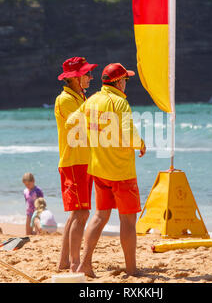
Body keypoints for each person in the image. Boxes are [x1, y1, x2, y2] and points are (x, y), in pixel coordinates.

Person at [67, 63, 146, 277]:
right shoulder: (119, 102)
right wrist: (141, 144)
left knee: (100, 216)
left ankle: (85, 264)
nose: (126, 84)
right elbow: (129, 135)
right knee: (128, 220)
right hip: (121, 171)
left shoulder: (91, 100)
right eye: (126, 80)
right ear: (119, 82)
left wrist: (93, 138)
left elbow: (71, 122)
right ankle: (131, 269)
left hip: (99, 170)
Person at [55, 56, 97, 272]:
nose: (91, 77)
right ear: (76, 78)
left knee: (77, 213)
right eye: (87, 74)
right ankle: (73, 263)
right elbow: (83, 126)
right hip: (74, 162)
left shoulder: (79, 97)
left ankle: (64, 261)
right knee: (81, 214)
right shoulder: (65, 100)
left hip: (82, 161)